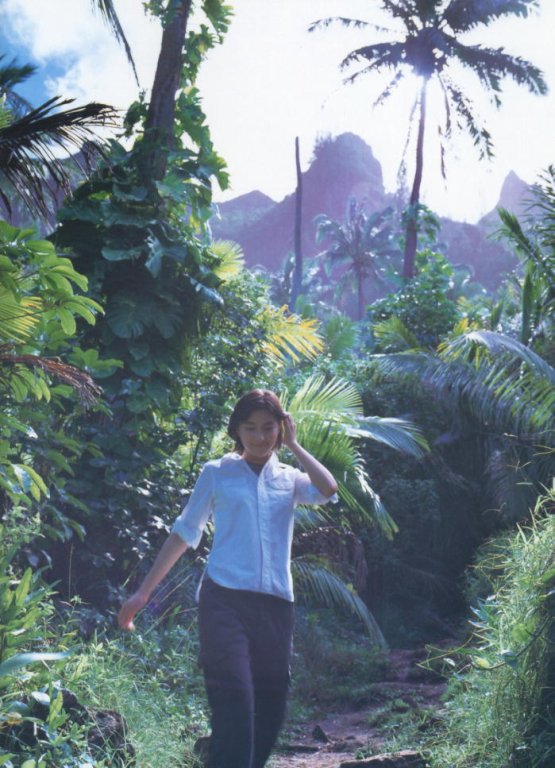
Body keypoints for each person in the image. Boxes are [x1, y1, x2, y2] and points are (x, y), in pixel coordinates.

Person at [117, 389, 338, 768]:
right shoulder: (217, 473)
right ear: (236, 429)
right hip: (224, 601)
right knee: (233, 699)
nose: (259, 437)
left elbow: (328, 489)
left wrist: (295, 445)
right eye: (250, 427)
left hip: (276, 604)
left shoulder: (289, 479)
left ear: (281, 428)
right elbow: (184, 533)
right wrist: (142, 594)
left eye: (268, 427)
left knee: (270, 708)